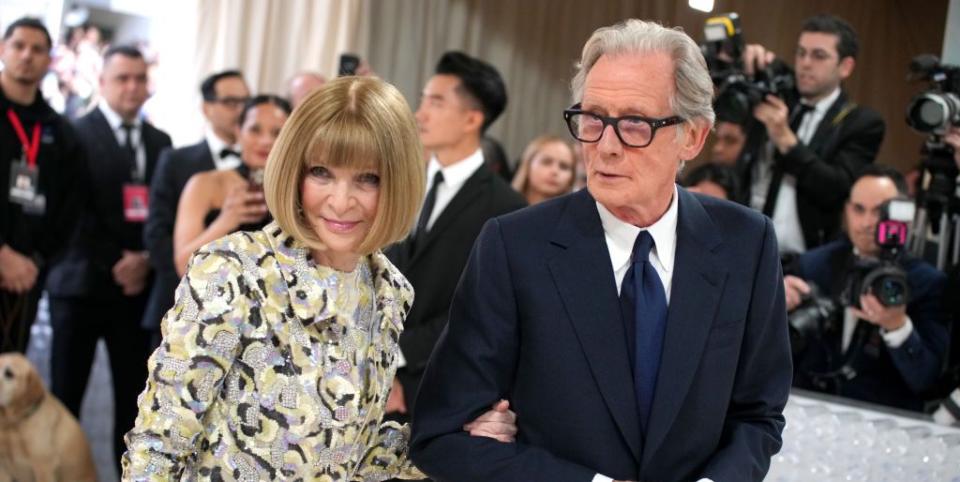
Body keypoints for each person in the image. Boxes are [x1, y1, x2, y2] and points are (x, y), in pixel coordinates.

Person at [410, 19, 792, 482]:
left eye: (634, 124)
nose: (604, 146)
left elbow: (758, 414)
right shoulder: (514, 246)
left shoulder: (746, 244)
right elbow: (440, 435)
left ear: (692, 137)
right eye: (592, 119)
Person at [123, 76, 516, 480]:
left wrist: (459, 439)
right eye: (322, 172)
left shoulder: (389, 290)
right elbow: (161, 441)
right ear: (294, 171)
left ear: (398, 182)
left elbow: (354, 452)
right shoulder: (234, 270)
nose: (341, 201)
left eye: (368, 178)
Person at [44, 44, 171, 475]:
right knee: (64, 399)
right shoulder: (74, 132)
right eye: (122, 78)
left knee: (133, 401)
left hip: (135, 296)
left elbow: (162, 213)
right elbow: (69, 211)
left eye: (140, 78)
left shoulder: (160, 141)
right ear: (102, 83)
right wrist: (119, 260)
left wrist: (145, 261)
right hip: (80, 285)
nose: (133, 87)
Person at [384, 52, 526, 420]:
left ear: (472, 118)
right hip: (366, 374)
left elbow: (479, 311)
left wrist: (397, 358)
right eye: (422, 101)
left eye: (436, 102)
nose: (420, 114)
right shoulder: (399, 182)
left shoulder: (506, 206)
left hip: (437, 390)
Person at [785, 165, 948, 411]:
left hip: (884, 421)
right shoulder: (813, 264)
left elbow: (925, 381)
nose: (868, 222)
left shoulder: (926, 282)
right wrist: (776, 305)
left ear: (903, 215)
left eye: (880, 212)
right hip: (809, 408)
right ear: (846, 210)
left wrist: (898, 327)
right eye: (859, 210)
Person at [743, 14, 885, 253]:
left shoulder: (862, 122)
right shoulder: (782, 96)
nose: (805, 63)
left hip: (809, 259)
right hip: (750, 246)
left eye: (819, 56)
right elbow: (762, 67)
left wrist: (785, 139)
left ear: (845, 66)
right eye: (801, 53)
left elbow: (836, 189)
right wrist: (745, 57)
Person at [141, 70, 250, 348]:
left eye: (245, 102)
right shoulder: (176, 160)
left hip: (242, 314)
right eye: (230, 102)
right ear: (206, 107)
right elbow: (157, 233)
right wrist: (189, 291)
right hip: (178, 302)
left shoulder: (265, 170)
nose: (239, 111)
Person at [0, 17, 84, 353]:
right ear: (3, 49)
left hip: (25, 276)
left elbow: (69, 208)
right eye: (19, 45)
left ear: (50, 60)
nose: (27, 55)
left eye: (38, 49)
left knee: (10, 377)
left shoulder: (61, 131)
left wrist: (33, 261)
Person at [173, 95, 289, 276]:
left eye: (277, 133)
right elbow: (183, 265)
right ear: (238, 131)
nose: (266, 141)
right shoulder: (205, 183)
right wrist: (226, 220)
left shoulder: (297, 192)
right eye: (255, 130)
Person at [511, 135, 577, 204]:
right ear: (528, 165)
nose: (555, 171)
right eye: (546, 162)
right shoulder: (505, 207)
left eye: (564, 167)